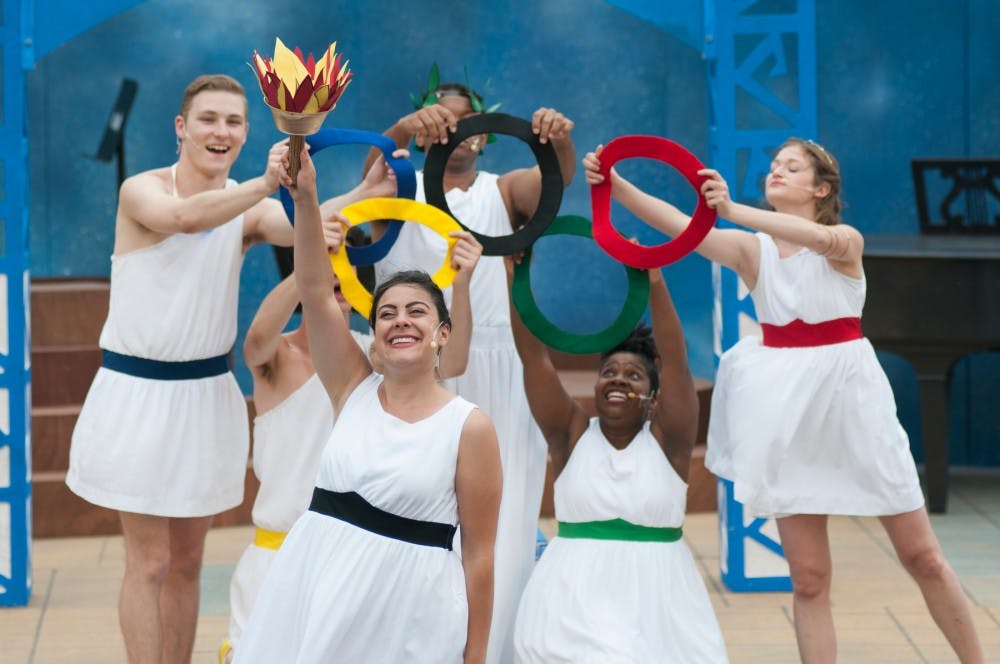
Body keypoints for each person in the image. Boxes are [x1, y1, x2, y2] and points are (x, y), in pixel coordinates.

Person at [583, 138, 984, 663]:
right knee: (810, 577)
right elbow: (682, 225)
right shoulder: (755, 250)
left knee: (922, 555)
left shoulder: (844, 239)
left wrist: (730, 210)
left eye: (792, 167)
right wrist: (613, 183)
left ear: (821, 188)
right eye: (773, 166)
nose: (777, 171)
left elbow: (817, 238)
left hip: (853, 405)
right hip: (786, 414)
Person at [64, 74, 330, 664]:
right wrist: (267, 181)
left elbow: (309, 226)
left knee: (187, 563)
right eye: (209, 119)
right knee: (150, 561)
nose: (221, 131)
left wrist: (358, 189)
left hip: (207, 393)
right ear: (181, 128)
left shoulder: (251, 208)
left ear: (245, 133)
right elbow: (186, 220)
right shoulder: (141, 191)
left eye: (234, 122)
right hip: (136, 394)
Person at [235, 145, 502, 663]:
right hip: (313, 597)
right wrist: (307, 195)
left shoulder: (468, 427)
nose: (402, 320)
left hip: (412, 620)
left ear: (441, 333)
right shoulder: (350, 387)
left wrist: (476, 656)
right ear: (372, 335)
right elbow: (314, 287)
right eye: (388, 313)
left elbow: (481, 555)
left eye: (418, 312)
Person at [364, 79, 576, 663]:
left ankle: (493, 649)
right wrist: (405, 127)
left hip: (498, 367)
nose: (453, 129)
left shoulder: (501, 190)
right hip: (419, 369)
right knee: (416, 509)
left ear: (484, 135)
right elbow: (371, 162)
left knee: (502, 523)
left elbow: (554, 182)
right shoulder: (397, 182)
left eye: (465, 121)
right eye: (441, 118)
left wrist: (557, 141)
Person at [506, 254, 728, 661]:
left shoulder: (670, 443)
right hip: (571, 598)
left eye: (633, 375)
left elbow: (676, 362)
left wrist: (656, 284)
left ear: (653, 396)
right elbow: (534, 359)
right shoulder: (569, 435)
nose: (618, 380)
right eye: (609, 372)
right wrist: (515, 279)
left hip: (660, 601)